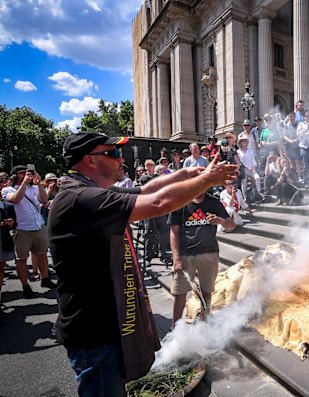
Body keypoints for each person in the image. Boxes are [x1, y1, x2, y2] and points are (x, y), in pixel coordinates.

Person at [48, 131, 237, 395]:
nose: (120, 160)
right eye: (112, 153)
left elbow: (148, 189)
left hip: (104, 326)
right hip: (94, 333)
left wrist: (186, 175)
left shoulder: (87, 192)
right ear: (90, 161)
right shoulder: (81, 199)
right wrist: (207, 179)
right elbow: (158, 202)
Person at [169, 190, 235, 326]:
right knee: (179, 293)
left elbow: (231, 225)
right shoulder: (180, 201)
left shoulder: (214, 202)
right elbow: (174, 231)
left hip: (209, 253)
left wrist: (220, 221)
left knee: (207, 292)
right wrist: (176, 258)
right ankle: (174, 329)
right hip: (185, 255)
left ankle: (204, 325)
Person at [2, 165, 56, 297]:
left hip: (38, 225)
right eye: (22, 173)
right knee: (22, 259)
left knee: (42, 254)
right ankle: (25, 286)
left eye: (28, 173)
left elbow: (43, 200)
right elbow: (15, 199)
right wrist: (24, 183)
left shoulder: (34, 187)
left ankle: (45, 279)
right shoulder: (8, 189)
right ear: (15, 176)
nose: (27, 175)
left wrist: (38, 185)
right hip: (22, 229)